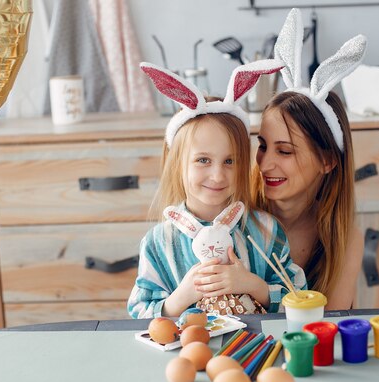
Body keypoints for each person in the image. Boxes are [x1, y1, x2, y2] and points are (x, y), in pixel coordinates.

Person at [127, 60, 306, 319]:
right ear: (177, 163)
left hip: (256, 349)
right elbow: (138, 312)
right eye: (203, 160)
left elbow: (300, 296)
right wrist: (182, 296)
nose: (218, 175)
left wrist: (253, 285)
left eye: (229, 161)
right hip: (187, 353)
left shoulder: (266, 232)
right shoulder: (159, 243)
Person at [252, 9, 367, 310]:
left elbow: (331, 321)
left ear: (327, 161)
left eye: (285, 151)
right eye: (262, 145)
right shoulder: (238, 217)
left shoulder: (345, 239)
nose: (264, 164)